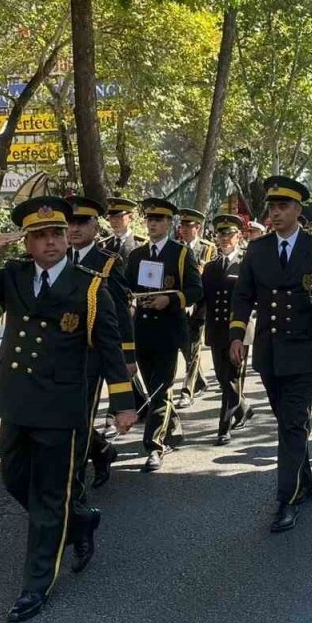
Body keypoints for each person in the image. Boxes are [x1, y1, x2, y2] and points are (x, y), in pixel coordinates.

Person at [0, 195, 137, 623]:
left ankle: (36, 586)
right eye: (40, 236)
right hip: (15, 397)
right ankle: (81, 521)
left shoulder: (90, 285)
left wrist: (123, 404)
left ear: (65, 239)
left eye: (57, 233)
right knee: (16, 481)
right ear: (27, 244)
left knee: (48, 496)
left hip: (62, 403)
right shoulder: (13, 275)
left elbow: (110, 348)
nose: (51, 242)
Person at [228, 176, 312, 532]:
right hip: (268, 351)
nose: (276, 213)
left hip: (304, 351)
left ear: (298, 210)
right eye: (272, 207)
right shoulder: (258, 249)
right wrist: (236, 335)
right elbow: (243, 296)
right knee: (286, 423)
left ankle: (287, 499)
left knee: (293, 423)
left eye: (283, 207)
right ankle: (305, 481)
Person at [62, 195, 136, 492]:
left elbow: (120, 312)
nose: (74, 229)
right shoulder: (56, 257)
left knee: (79, 420)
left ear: (95, 226)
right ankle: (103, 450)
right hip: (59, 354)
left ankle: (73, 491)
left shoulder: (107, 262)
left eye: (82, 223)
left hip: (92, 356)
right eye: (70, 223)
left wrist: (127, 355)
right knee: (65, 417)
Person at [124, 197, 203, 470]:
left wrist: (169, 300)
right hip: (143, 332)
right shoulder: (136, 255)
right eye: (150, 219)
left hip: (169, 332)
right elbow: (126, 290)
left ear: (169, 224)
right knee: (155, 389)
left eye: (159, 219)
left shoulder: (180, 254)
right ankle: (173, 429)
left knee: (160, 389)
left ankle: (154, 447)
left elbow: (195, 289)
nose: (153, 224)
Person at [201, 213, 253, 444]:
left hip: (237, 331)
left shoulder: (246, 263)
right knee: (222, 379)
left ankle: (224, 428)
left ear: (238, 236)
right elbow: (204, 299)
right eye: (221, 234)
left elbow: (252, 298)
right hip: (215, 330)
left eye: (229, 234)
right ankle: (243, 408)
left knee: (231, 379)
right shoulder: (211, 267)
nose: (224, 239)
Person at [176, 208, 215, 405]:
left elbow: (207, 280)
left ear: (197, 227)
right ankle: (199, 380)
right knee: (185, 347)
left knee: (193, 347)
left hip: (199, 307)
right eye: (181, 225)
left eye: (187, 225)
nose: (182, 229)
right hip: (179, 306)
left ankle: (187, 390)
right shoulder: (175, 248)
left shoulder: (208, 249)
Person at [103, 197, 146, 261]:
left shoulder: (142, 246)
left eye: (119, 216)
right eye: (111, 216)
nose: (114, 220)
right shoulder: (103, 244)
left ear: (130, 217)